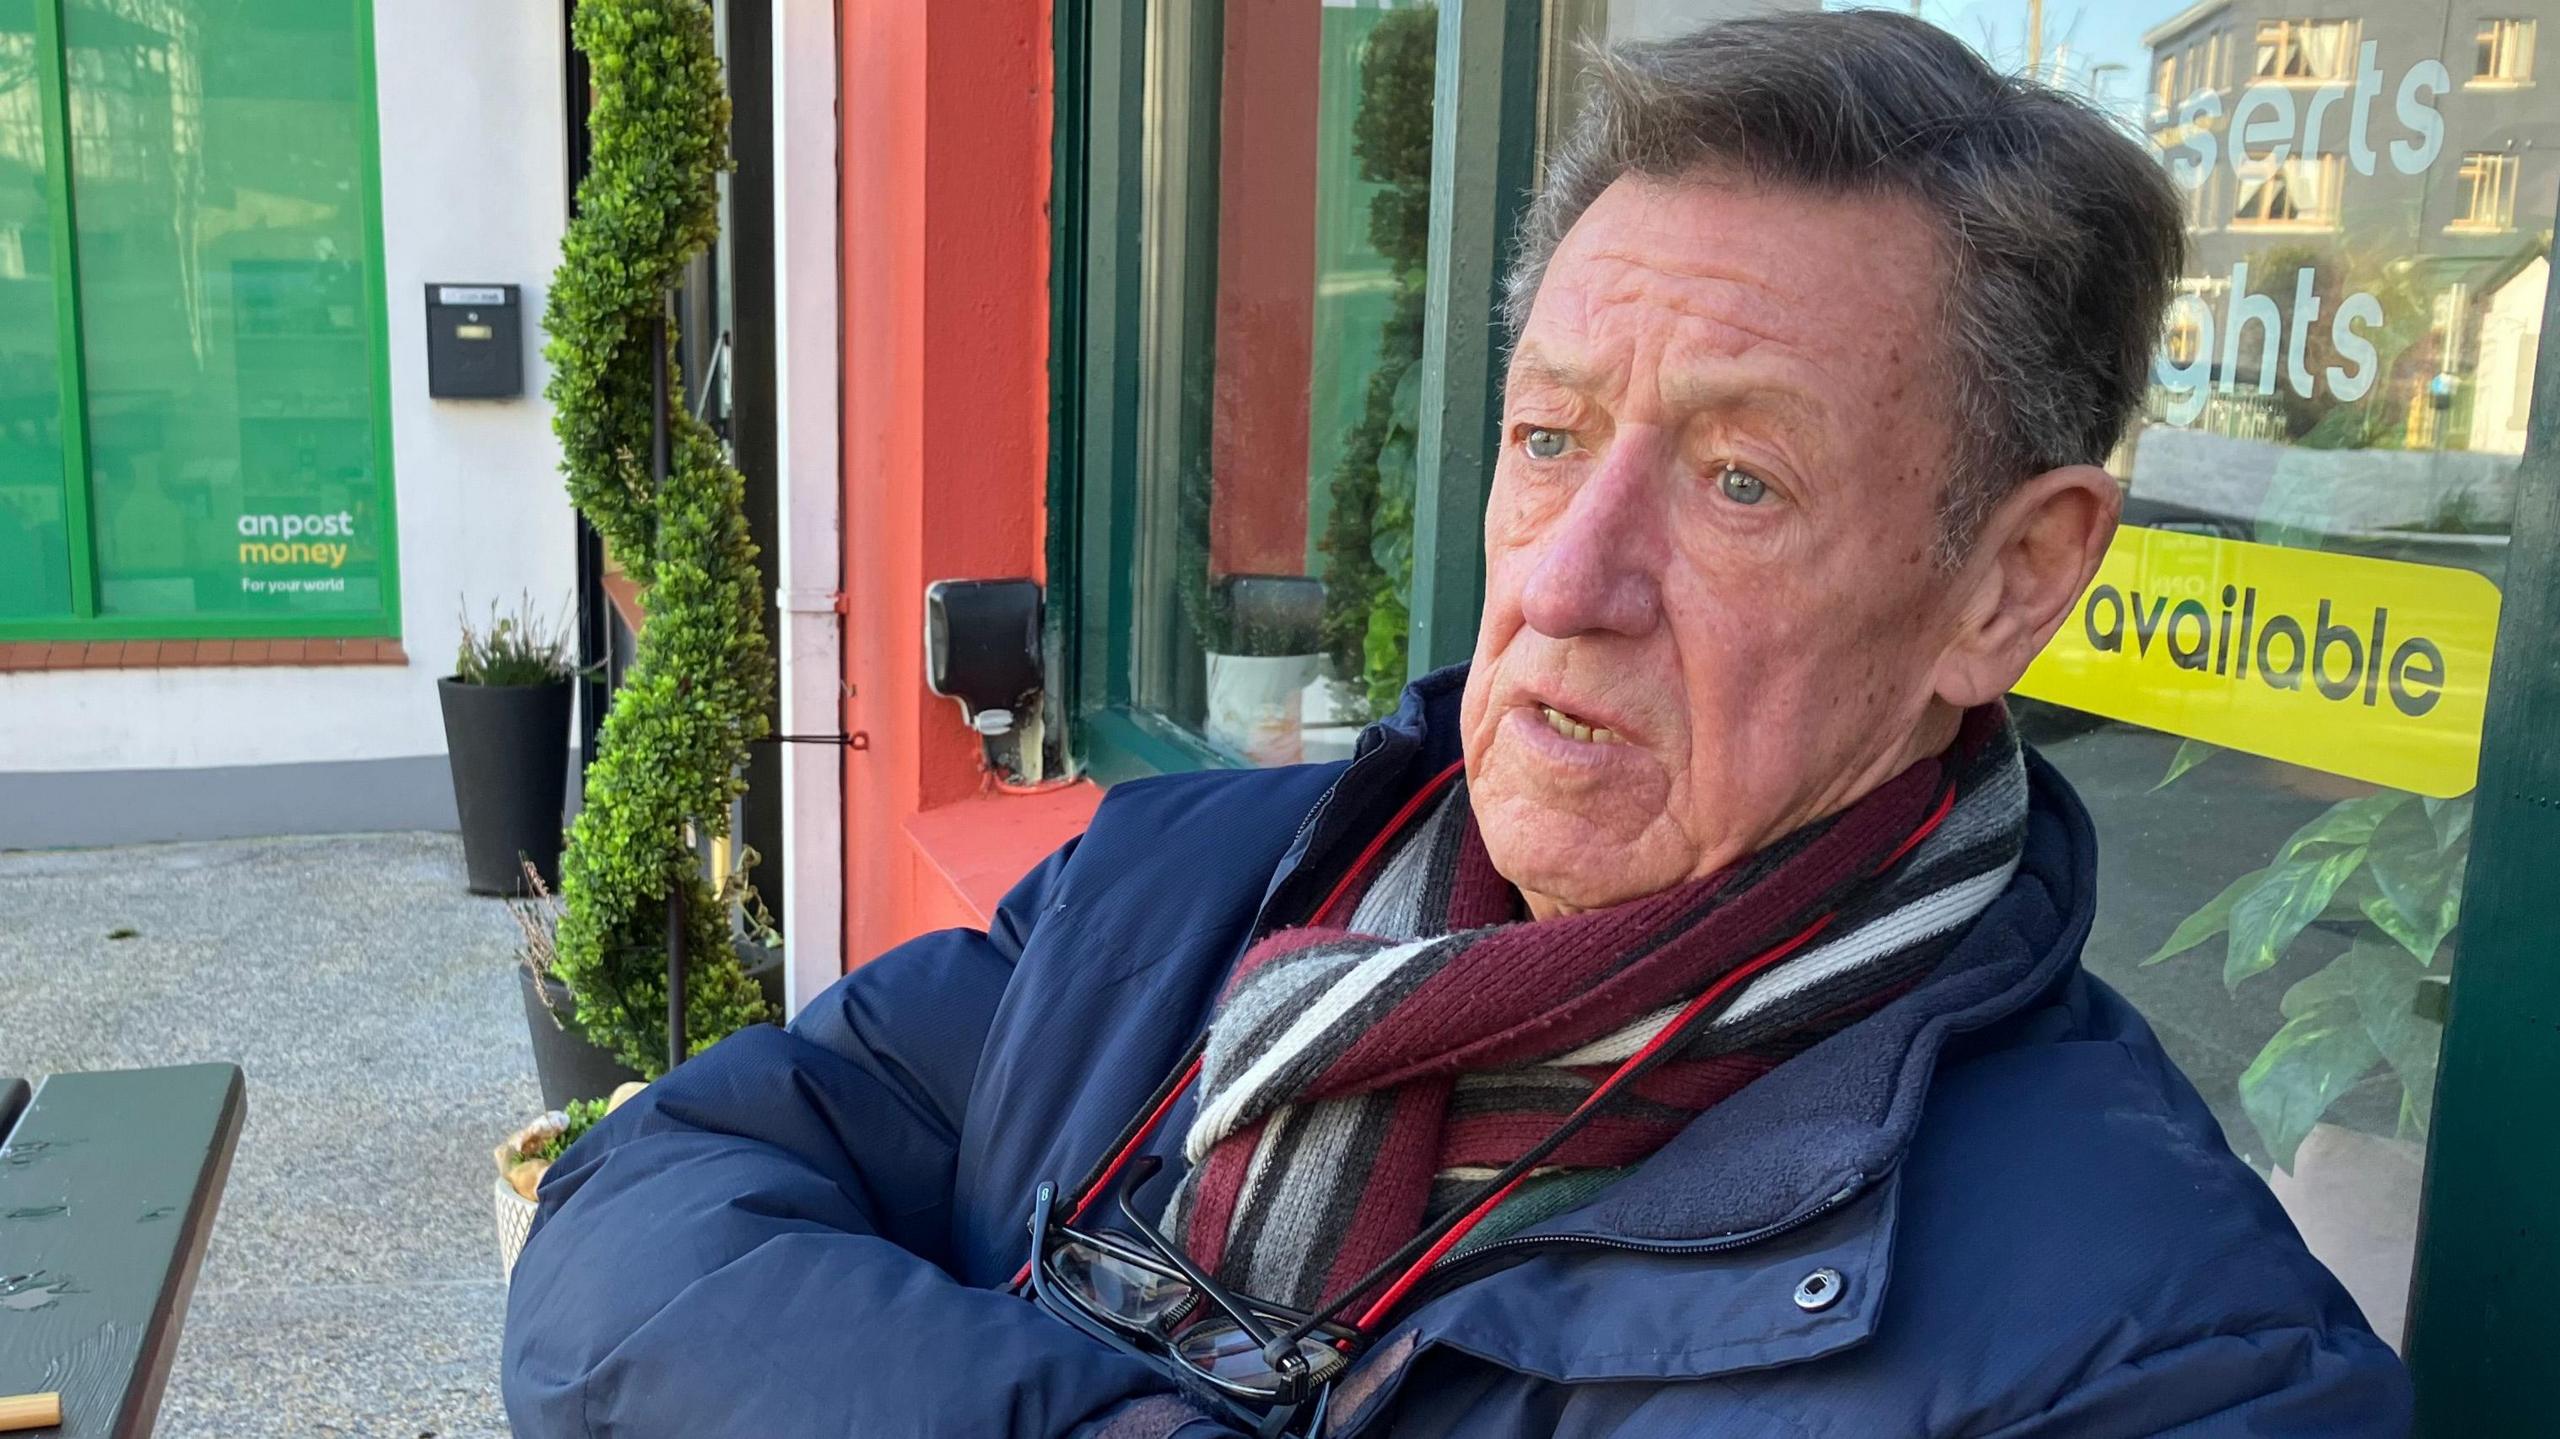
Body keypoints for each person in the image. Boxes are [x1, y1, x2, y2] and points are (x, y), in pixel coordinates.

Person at [502, 12, 2411, 1436]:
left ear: (2007, 583)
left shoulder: (2175, 1362)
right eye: (1549, 438)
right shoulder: (1176, 899)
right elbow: (628, 1224)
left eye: (1741, 482)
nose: (1571, 579)